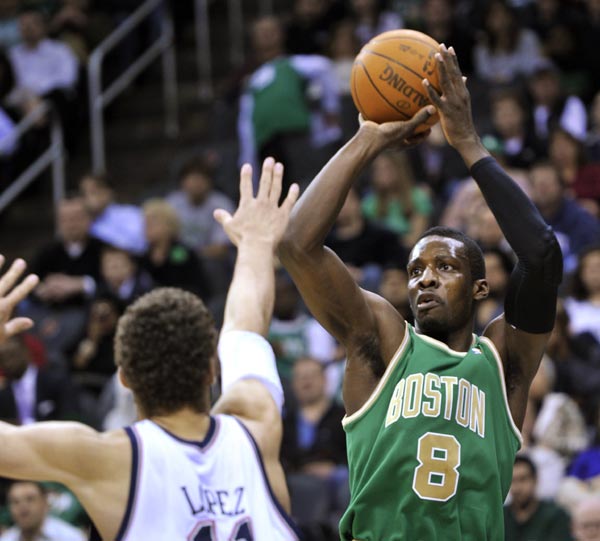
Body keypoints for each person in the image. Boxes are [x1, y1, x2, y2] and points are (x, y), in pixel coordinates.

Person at [278, 44, 563, 540]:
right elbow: (297, 246)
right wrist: (367, 139)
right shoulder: (384, 343)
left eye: (445, 267)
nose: (424, 279)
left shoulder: (503, 362)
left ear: (480, 287)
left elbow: (540, 254)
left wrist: (468, 142)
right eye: (414, 271)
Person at [0, 158, 302, 540]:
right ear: (211, 370)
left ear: (124, 378)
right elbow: (245, 322)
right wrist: (256, 246)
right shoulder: (257, 428)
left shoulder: (106, 460)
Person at [504, 455, 573, 541]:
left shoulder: (556, 515)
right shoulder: (501, 517)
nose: (517, 488)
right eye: (512, 481)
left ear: (535, 479)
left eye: (523, 479)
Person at [0, 481, 85, 541]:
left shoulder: (70, 537)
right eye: (15, 502)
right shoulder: (6, 539)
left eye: (30, 499)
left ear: (45, 502)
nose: (23, 507)